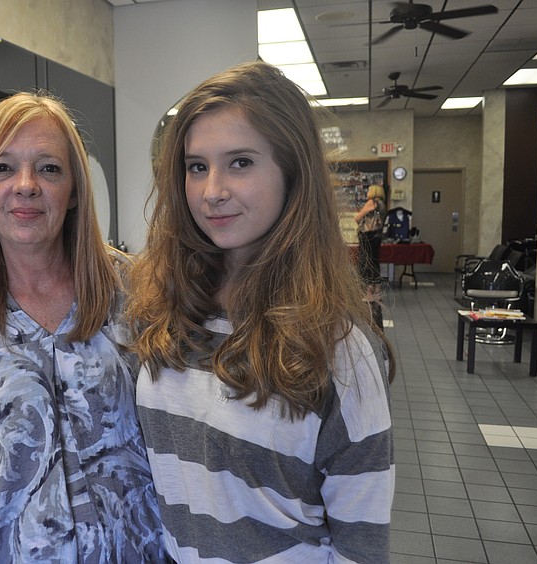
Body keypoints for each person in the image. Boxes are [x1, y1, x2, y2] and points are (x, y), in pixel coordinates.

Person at [126, 61, 395, 563]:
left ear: (292, 171)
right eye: (196, 166)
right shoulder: (168, 311)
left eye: (241, 162)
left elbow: (361, 547)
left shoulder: (338, 349)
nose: (212, 191)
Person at [0, 91, 165, 563]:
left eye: (48, 168)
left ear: (75, 189)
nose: (25, 185)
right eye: (2, 168)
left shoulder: (137, 293)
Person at [355, 183, 387, 329]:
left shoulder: (371, 202)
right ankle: (377, 291)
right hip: (376, 236)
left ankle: (369, 293)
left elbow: (358, 218)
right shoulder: (382, 204)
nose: (367, 192)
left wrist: (359, 214)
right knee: (374, 262)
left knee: (366, 262)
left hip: (367, 236)